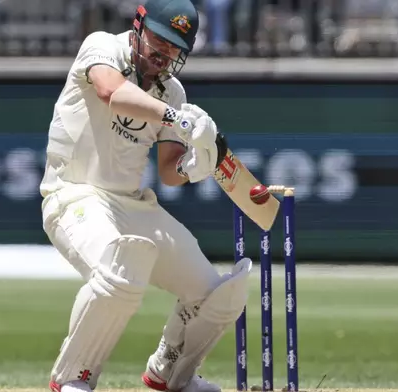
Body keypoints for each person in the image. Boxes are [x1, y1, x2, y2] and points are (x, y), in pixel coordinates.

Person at [39, 1, 253, 392]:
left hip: (132, 205)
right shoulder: (101, 46)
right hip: (74, 196)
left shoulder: (171, 91)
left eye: (175, 49)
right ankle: (73, 378)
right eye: (160, 41)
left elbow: (170, 172)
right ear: (138, 26)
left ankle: (170, 373)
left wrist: (196, 166)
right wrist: (179, 119)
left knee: (216, 294)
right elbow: (110, 91)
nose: (164, 55)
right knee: (121, 266)